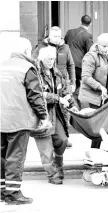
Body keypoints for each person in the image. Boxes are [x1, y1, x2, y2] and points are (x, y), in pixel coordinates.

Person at [0, 37, 49, 205]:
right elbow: (35, 95)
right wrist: (43, 116)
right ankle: (13, 194)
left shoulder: (2, 65)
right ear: (27, 51)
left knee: (1, 156)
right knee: (15, 156)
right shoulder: (27, 68)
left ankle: (2, 191)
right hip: (18, 120)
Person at [31, 46, 77, 185]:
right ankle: (52, 173)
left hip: (55, 112)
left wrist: (71, 102)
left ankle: (59, 165)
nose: (51, 61)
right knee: (46, 148)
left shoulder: (56, 72)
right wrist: (57, 98)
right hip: (40, 113)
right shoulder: (35, 72)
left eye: (53, 59)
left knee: (62, 140)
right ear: (41, 59)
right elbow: (39, 94)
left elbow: (64, 90)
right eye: (49, 59)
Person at [78, 33, 108, 149]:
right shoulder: (90, 56)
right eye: (104, 46)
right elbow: (85, 77)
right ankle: (94, 152)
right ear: (98, 44)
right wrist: (99, 87)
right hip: (93, 96)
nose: (107, 49)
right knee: (98, 126)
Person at [33, 26, 76, 148]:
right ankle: (53, 140)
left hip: (60, 82)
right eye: (54, 36)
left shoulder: (65, 48)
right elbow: (34, 63)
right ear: (49, 36)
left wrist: (72, 83)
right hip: (47, 84)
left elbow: (71, 65)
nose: (57, 39)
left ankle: (64, 138)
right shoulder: (41, 47)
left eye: (59, 36)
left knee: (63, 113)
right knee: (52, 115)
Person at [64, 15, 93, 105]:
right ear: (90, 24)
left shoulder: (70, 32)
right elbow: (90, 52)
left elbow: (64, 45)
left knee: (69, 84)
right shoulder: (88, 35)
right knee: (79, 86)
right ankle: (75, 104)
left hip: (67, 63)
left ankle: (69, 102)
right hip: (79, 66)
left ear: (81, 21)